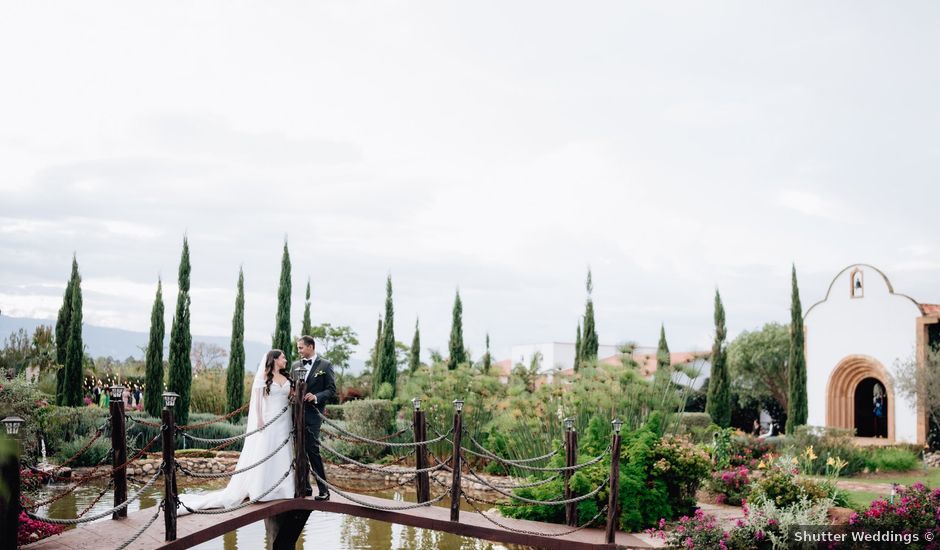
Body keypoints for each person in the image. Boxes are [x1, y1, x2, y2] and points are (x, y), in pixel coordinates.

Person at [178, 349, 295, 511]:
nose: (286, 360)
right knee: (267, 450)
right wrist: (260, 419)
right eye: (283, 357)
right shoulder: (263, 377)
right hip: (270, 419)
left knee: (282, 450)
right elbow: (258, 402)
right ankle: (263, 489)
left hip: (284, 420)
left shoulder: (286, 377)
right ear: (274, 359)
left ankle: (284, 488)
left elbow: (291, 396)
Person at [291, 335, 336, 500]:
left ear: (311, 346)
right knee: (299, 451)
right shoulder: (295, 365)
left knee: (312, 450)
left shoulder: (325, 365)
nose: (299, 351)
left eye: (301, 347)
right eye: (298, 348)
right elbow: (291, 387)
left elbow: (331, 390)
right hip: (296, 415)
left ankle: (324, 490)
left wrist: (315, 396)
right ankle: (305, 487)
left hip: (313, 415)